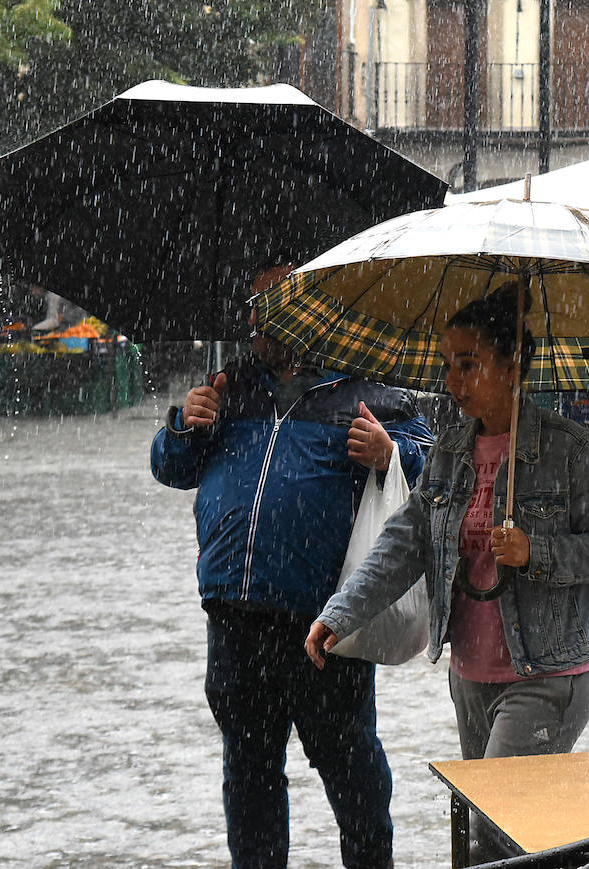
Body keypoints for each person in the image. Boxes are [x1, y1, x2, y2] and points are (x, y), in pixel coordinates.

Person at [302, 283, 589, 857]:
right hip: (470, 676)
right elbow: (404, 542)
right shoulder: (449, 451)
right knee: (493, 836)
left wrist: (539, 552)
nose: (452, 382)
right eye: (447, 366)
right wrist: (342, 612)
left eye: (468, 364)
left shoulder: (570, 451)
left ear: (512, 365)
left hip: (547, 677)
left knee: (495, 834)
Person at [150, 264, 435, 869]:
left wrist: (391, 452)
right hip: (234, 622)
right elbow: (171, 468)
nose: (256, 318)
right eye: (253, 305)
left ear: (311, 308)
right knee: (250, 780)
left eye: (271, 305)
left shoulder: (366, 387)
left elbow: (433, 460)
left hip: (324, 626)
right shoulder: (229, 388)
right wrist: (183, 424)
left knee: (353, 774)